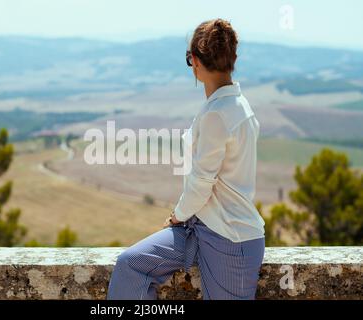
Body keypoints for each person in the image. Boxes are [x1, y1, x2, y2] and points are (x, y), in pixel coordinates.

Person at [107, 19, 265, 300]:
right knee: (131, 265)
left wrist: (177, 215)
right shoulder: (235, 106)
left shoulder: (219, 113)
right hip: (202, 227)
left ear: (194, 61)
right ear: (234, 58)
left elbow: (202, 182)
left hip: (229, 237)